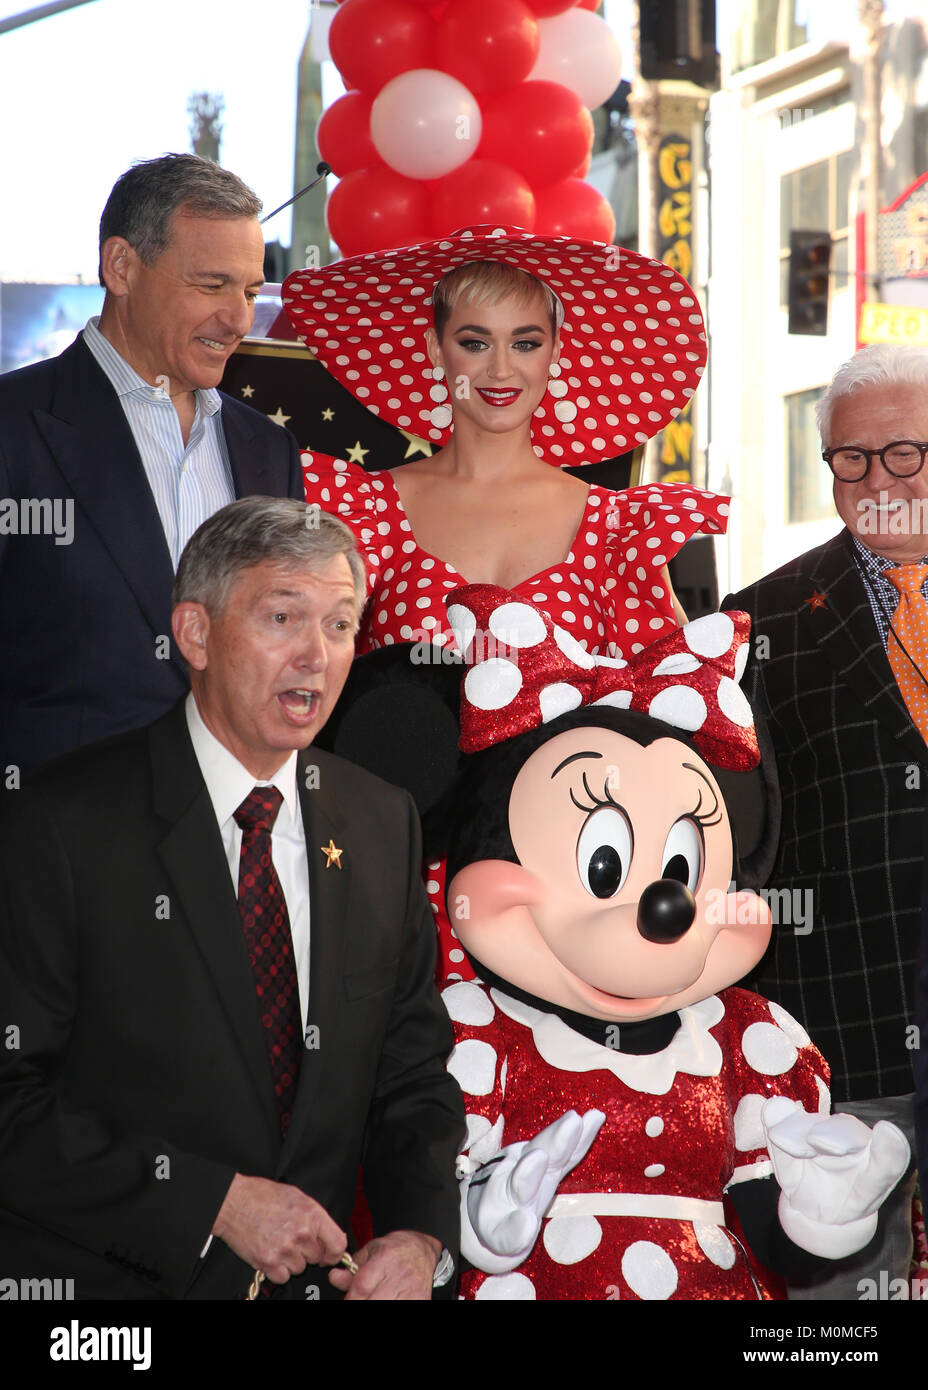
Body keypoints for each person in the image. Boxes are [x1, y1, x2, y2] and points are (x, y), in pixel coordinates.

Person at [0, 497, 464, 1300]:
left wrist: (422, 1238)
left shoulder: (384, 821)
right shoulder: (62, 821)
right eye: (283, 617)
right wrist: (207, 1202)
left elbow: (411, 1074)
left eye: (341, 624)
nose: (317, 656)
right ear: (196, 634)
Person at [282, 225, 730, 979]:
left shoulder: (617, 526)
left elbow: (676, 722)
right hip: (394, 887)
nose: (500, 368)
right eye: (474, 340)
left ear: (557, 352)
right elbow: (302, 689)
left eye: (525, 342)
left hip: (573, 898)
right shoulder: (358, 511)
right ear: (434, 350)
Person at [724, 343, 928, 1297]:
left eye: (907, 453)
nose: (879, 479)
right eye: (852, 458)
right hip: (844, 1042)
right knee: (838, 1330)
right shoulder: (751, 626)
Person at [0, 153, 304, 784]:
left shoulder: (270, 451)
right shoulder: (13, 426)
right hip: (54, 850)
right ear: (121, 267)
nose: (239, 318)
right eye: (211, 284)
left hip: (231, 850)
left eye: (249, 291)